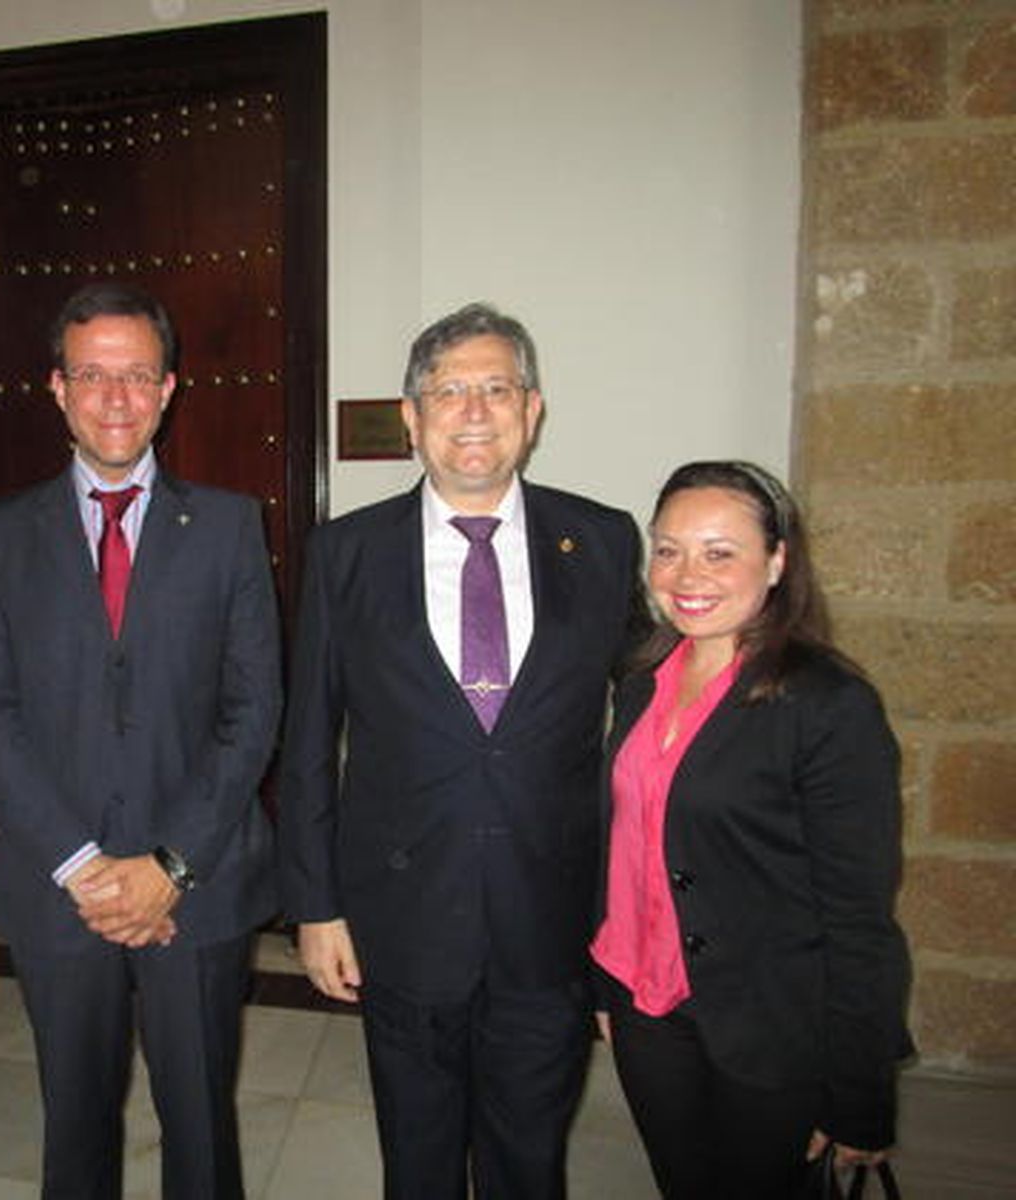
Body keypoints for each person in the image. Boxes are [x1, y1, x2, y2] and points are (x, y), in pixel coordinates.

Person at [278, 303, 648, 1199]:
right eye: (449, 392)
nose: (474, 412)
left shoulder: (602, 539)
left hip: (550, 915)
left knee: (530, 1160)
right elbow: (308, 740)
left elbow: (650, 712)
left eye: (496, 389)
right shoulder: (345, 552)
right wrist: (316, 907)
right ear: (412, 418)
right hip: (402, 915)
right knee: (419, 1160)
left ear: (532, 410)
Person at [0, 281, 282, 1200]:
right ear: (57, 388)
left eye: (137, 375)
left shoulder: (228, 526)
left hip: (197, 884)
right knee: (76, 1126)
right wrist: (84, 866)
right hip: (59, 888)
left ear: (169, 388)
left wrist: (167, 864)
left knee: (201, 1127)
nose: (116, 398)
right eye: (92, 375)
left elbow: (254, 710)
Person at [590, 461, 912, 1199]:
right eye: (668, 550)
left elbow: (859, 916)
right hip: (646, 1010)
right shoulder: (641, 682)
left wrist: (859, 1094)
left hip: (768, 1026)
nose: (687, 576)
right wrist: (607, 987)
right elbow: (626, 847)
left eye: (719, 552)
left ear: (776, 561)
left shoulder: (828, 704)